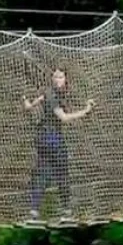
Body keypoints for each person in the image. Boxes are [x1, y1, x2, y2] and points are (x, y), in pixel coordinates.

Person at [23, 67, 94, 220]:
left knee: (42, 172)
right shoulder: (53, 95)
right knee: (61, 172)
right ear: (52, 79)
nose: (57, 80)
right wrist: (85, 111)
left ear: (65, 79)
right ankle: (66, 211)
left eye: (60, 77)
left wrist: (28, 104)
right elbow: (63, 117)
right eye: (56, 77)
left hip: (42, 138)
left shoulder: (48, 93)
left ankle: (34, 210)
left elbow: (35, 102)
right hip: (52, 137)